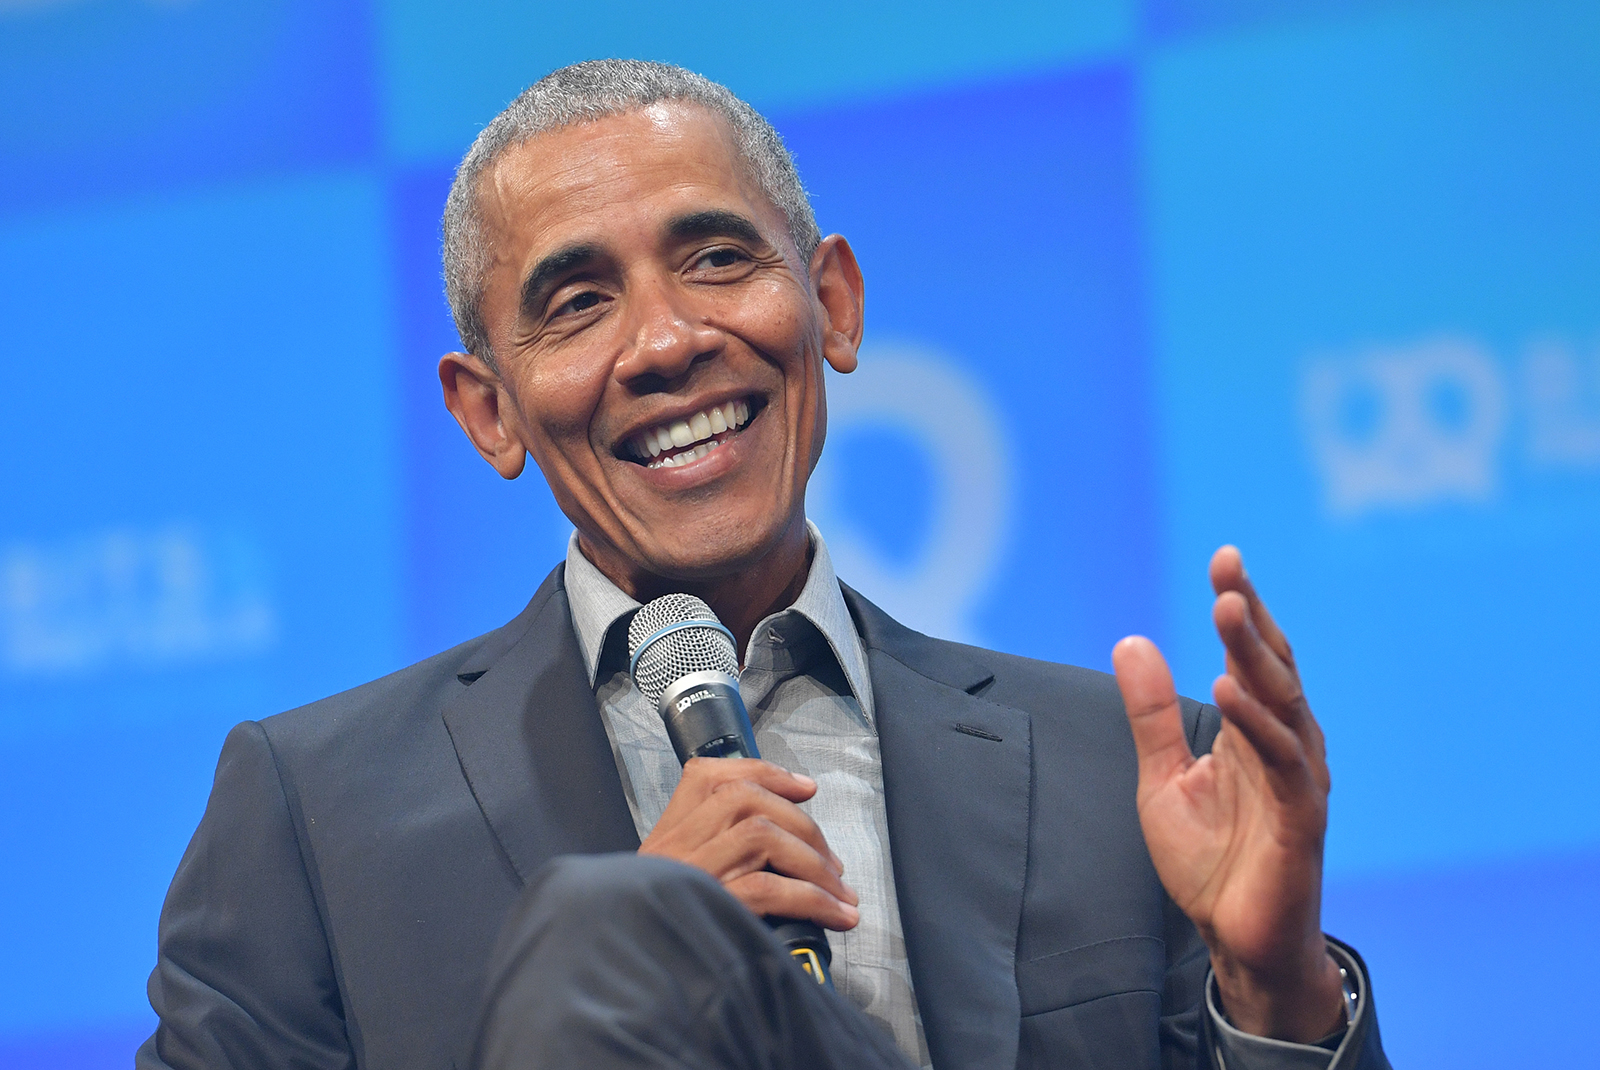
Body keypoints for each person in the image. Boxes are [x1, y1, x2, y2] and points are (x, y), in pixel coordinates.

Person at [139, 60, 1390, 1070]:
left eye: (717, 259)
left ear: (832, 303)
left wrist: (1274, 987)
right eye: (577, 302)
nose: (668, 340)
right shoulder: (314, 811)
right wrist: (641, 969)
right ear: (489, 411)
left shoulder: (1114, 774)